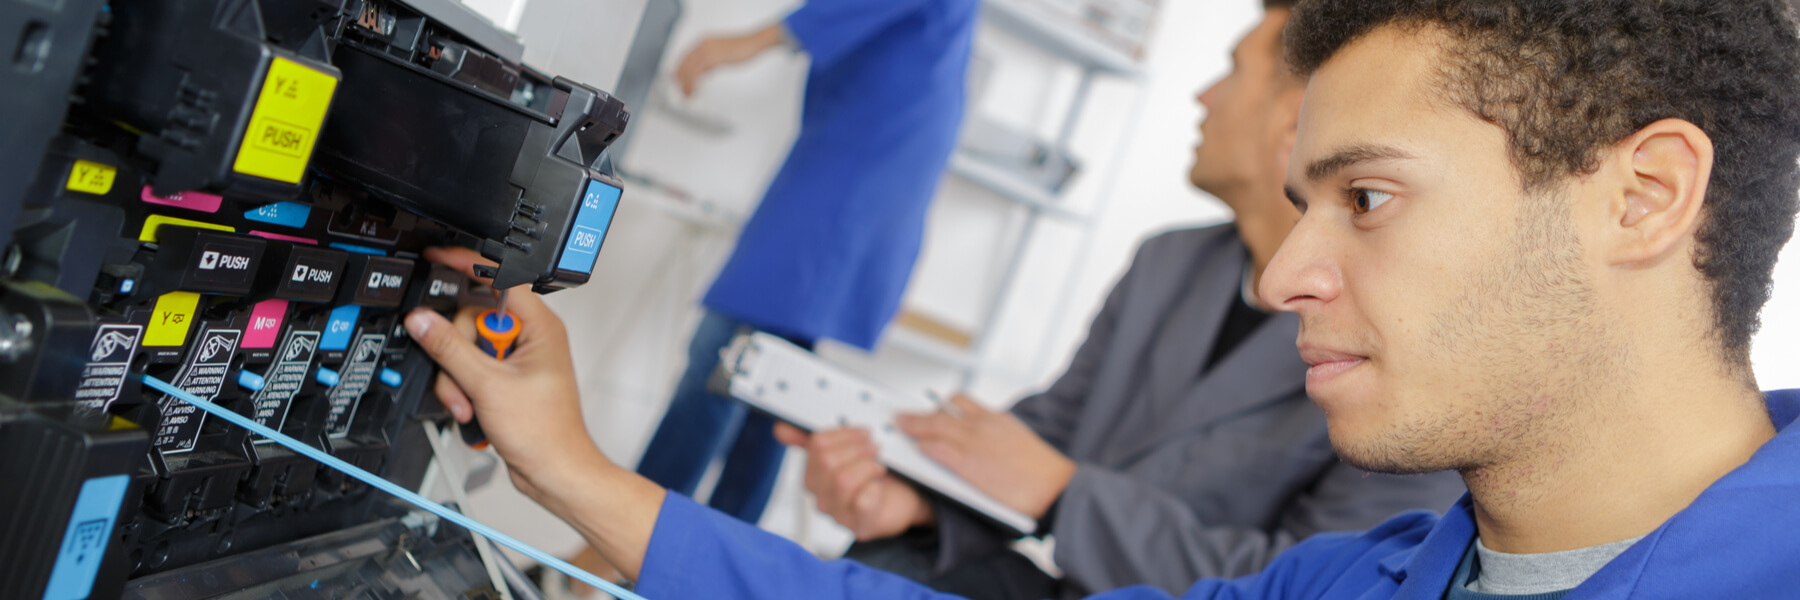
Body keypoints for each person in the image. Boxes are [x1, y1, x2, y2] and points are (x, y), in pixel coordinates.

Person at [403, 0, 1800, 598]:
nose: (1283, 276)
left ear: (1644, 196)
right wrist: (577, 471)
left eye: (1369, 199)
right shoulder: (1371, 578)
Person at [770, 3, 1463, 599]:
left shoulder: (1400, 345)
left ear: (1298, 120)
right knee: (883, 566)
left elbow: (1328, 583)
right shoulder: (1170, 261)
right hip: (1054, 580)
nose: (1205, 97)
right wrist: (920, 498)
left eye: (1233, 71)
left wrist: (1064, 494)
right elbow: (1046, 433)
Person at [635, 0, 979, 526]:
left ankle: (616, 544)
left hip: (859, 169)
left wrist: (737, 44)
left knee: (723, 358)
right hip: (861, 155)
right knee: (777, 388)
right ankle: (711, 566)